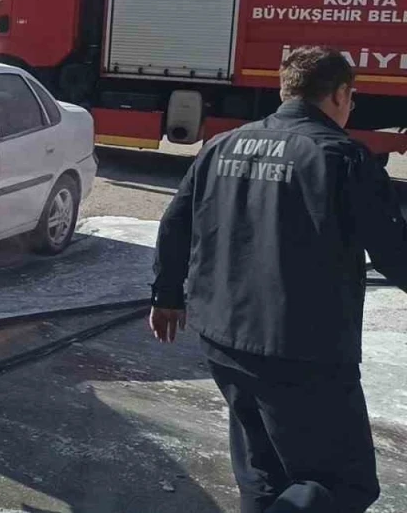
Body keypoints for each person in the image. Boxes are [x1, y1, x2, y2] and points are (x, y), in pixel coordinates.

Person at [151, 46, 407, 513]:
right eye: (352, 99)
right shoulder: (342, 156)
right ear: (340, 94)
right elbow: (395, 250)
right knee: (342, 484)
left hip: (222, 340)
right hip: (300, 352)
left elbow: (175, 224)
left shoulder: (222, 145)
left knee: (263, 477)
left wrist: (166, 295)